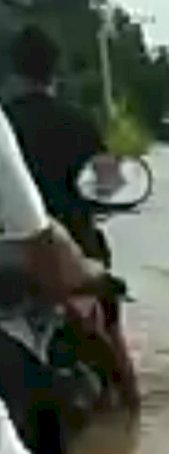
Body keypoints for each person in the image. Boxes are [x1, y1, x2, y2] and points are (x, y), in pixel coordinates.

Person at [0, 101, 139, 454]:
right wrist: (91, 276)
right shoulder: (74, 121)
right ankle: (130, 398)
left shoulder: (17, 113)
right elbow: (47, 245)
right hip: (60, 255)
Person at [5, 24, 141, 408]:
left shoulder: (6, 122)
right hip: (73, 251)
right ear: (55, 72)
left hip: (8, 254)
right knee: (113, 337)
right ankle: (133, 424)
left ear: (14, 70)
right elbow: (109, 181)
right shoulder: (78, 122)